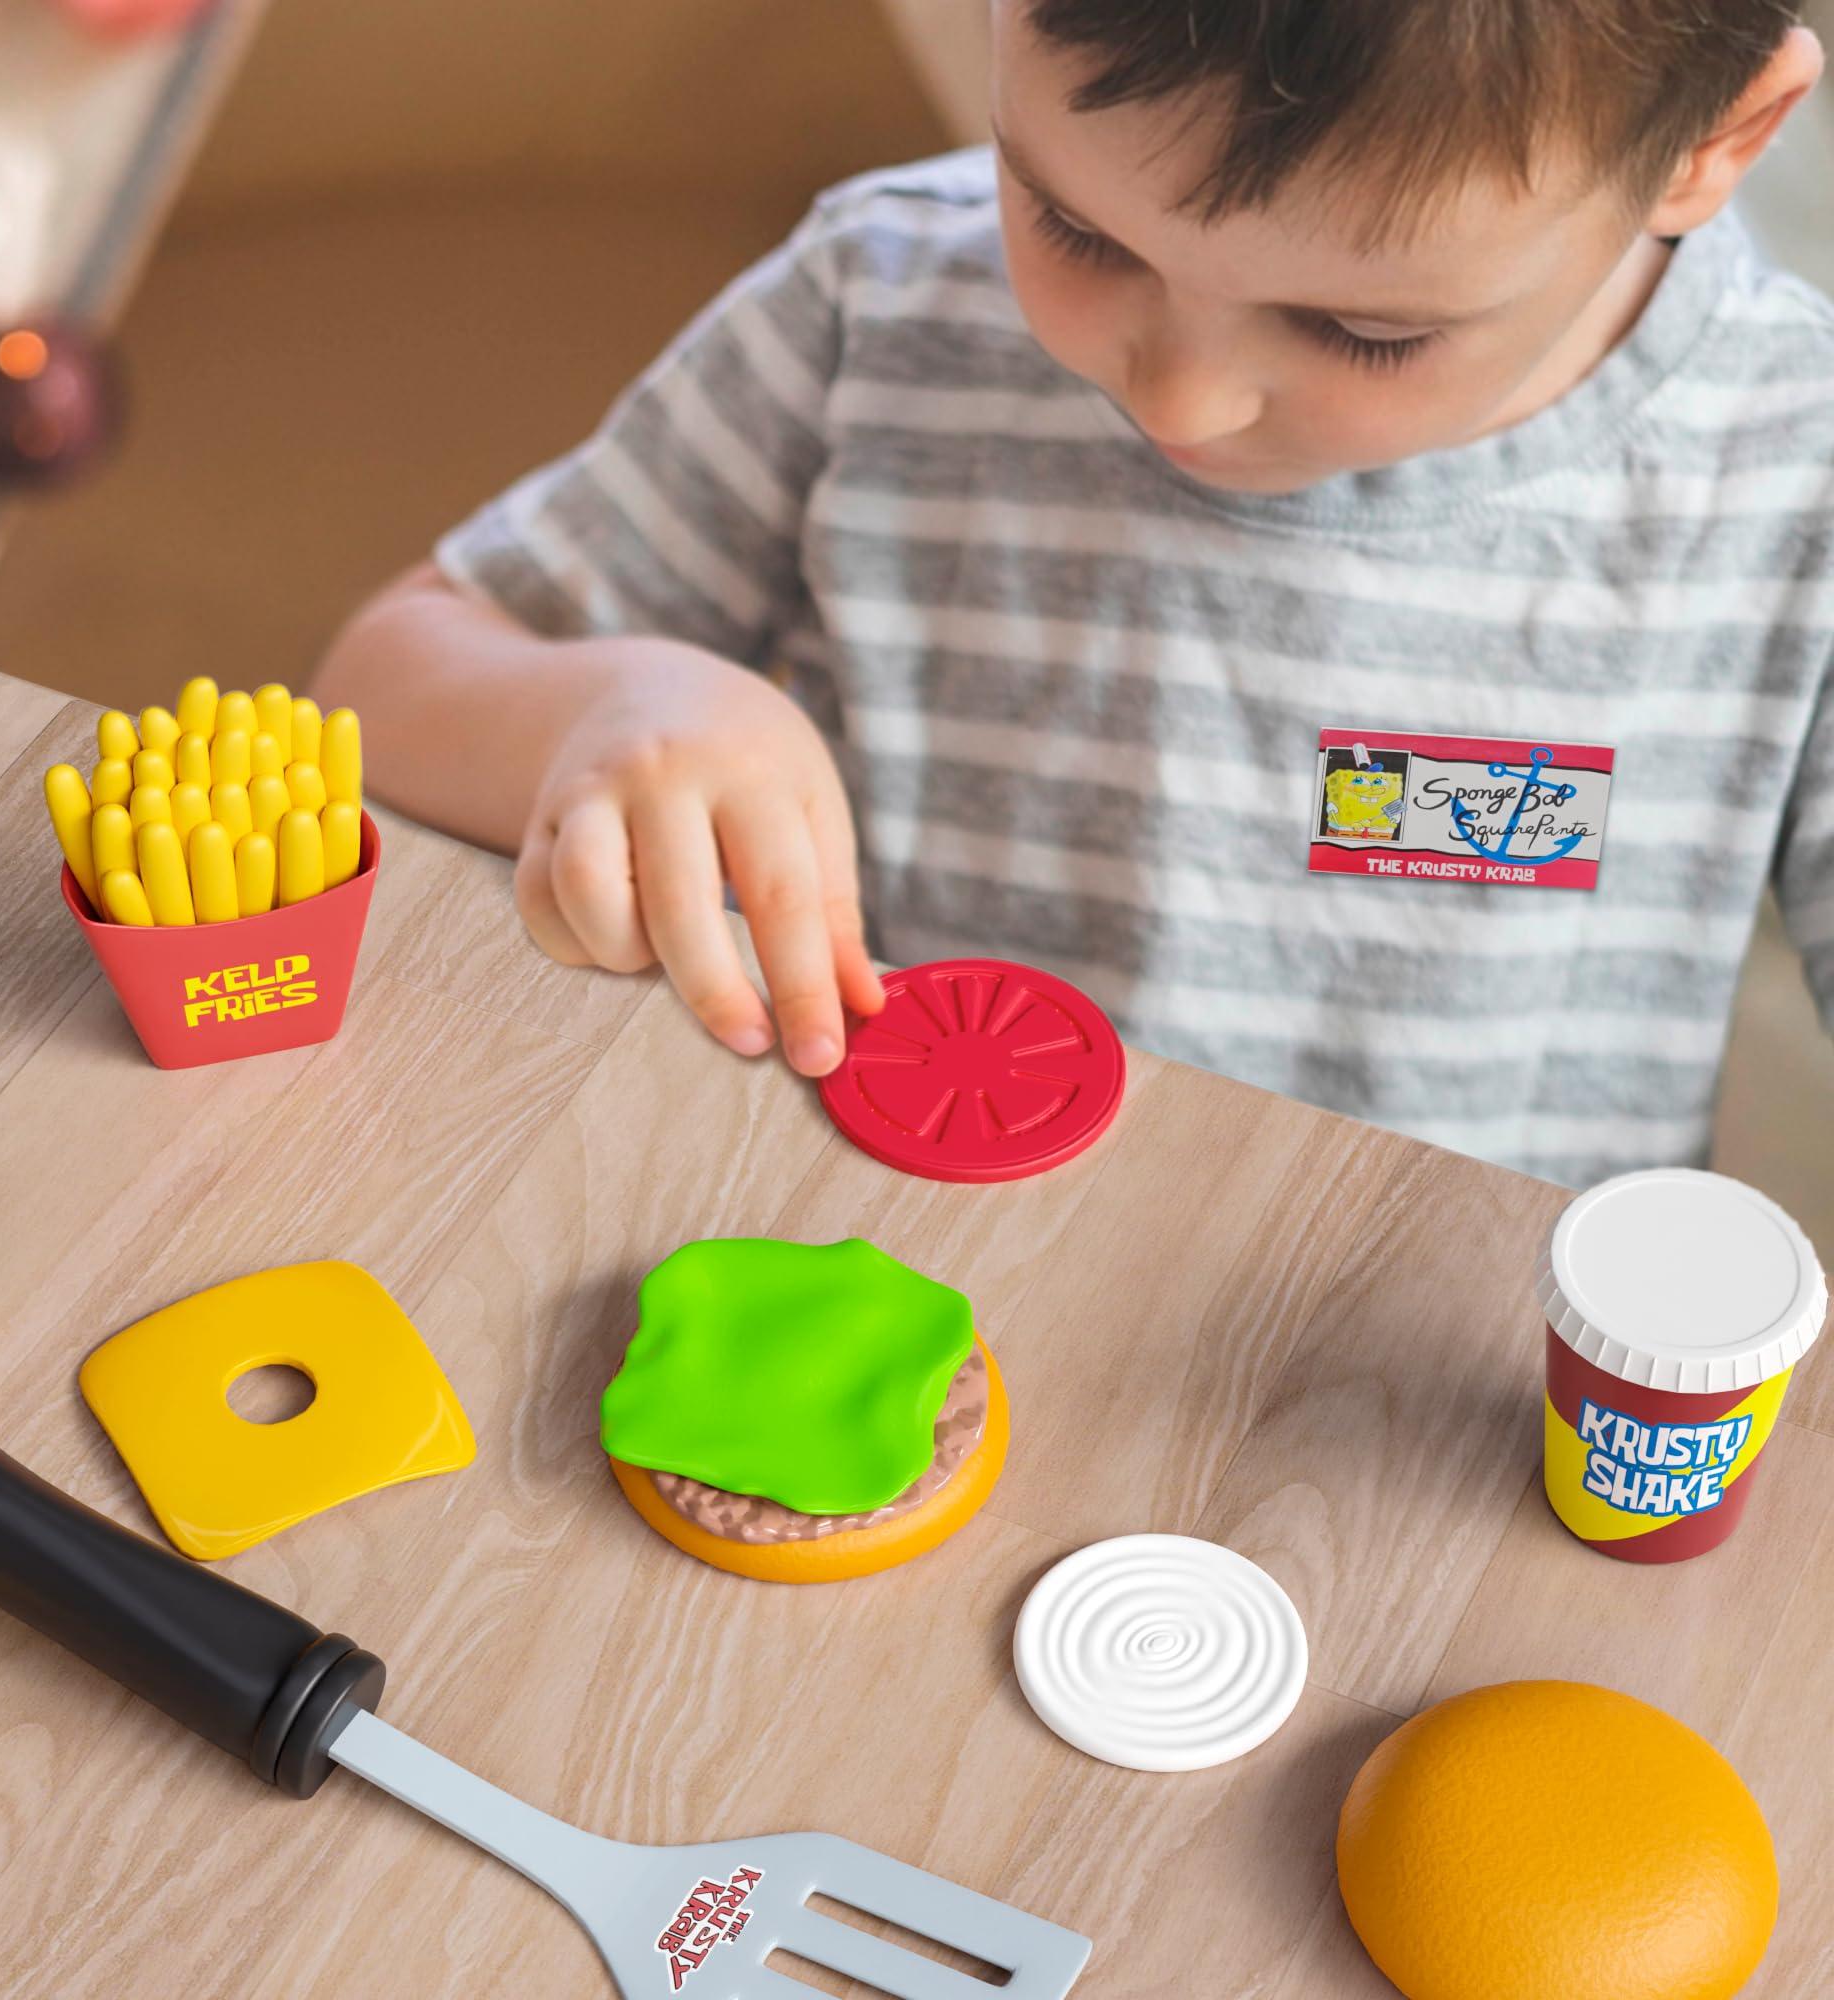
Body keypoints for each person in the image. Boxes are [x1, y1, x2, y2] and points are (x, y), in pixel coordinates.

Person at [313, 0, 1834, 1188]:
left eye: (1363, 332)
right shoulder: (878, 304)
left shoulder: (1794, 465)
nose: (1182, 397)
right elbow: (373, 690)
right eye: (1077, 227)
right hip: (880, 1263)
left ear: (1717, 137)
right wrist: (608, 709)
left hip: (1435, 1400)